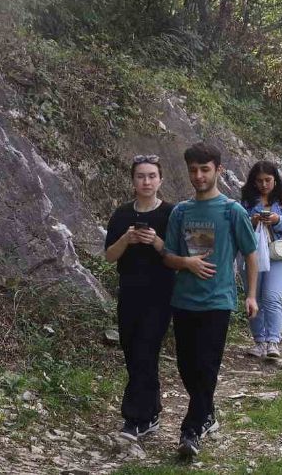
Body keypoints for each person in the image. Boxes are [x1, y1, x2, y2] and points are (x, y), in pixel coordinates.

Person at [162, 143, 259, 458]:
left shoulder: (232, 211)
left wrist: (252, 295)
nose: (199, 175)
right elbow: (168, 256)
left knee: (207, 366)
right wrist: (186, 263)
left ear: (218, 169)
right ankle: (207, 412)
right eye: (193, 170)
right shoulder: (181, 211)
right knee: (187, 367)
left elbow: (251, 254)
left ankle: (190, 432)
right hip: (184, 300)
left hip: (218, 301)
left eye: (205, 169)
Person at [104, 155, 176, 442]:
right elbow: (109, 256)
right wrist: (127, 239)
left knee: (146, 349)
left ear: (160, 180)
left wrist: (156, 242)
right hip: (130, 292)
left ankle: (134, 419)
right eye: (140, 176)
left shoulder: (171, 213)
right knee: (133, 352)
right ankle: (152, 410)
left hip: (160, 294)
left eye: (151, 176)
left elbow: (179, 255)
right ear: (132, 180)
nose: (146, 182)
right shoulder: (121, 214)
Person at [240, 160, 282, 359]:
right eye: (259, 181)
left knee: (272, 297)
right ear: (253, 182)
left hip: (277, 253)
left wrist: (278, 220)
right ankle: (259, 340)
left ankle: (273, 340)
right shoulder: (247, 202)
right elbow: (239, 226)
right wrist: (253, 221)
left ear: (275, 180)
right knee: (254, 296)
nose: (264, 184)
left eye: (268, 180)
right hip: (253, 254)